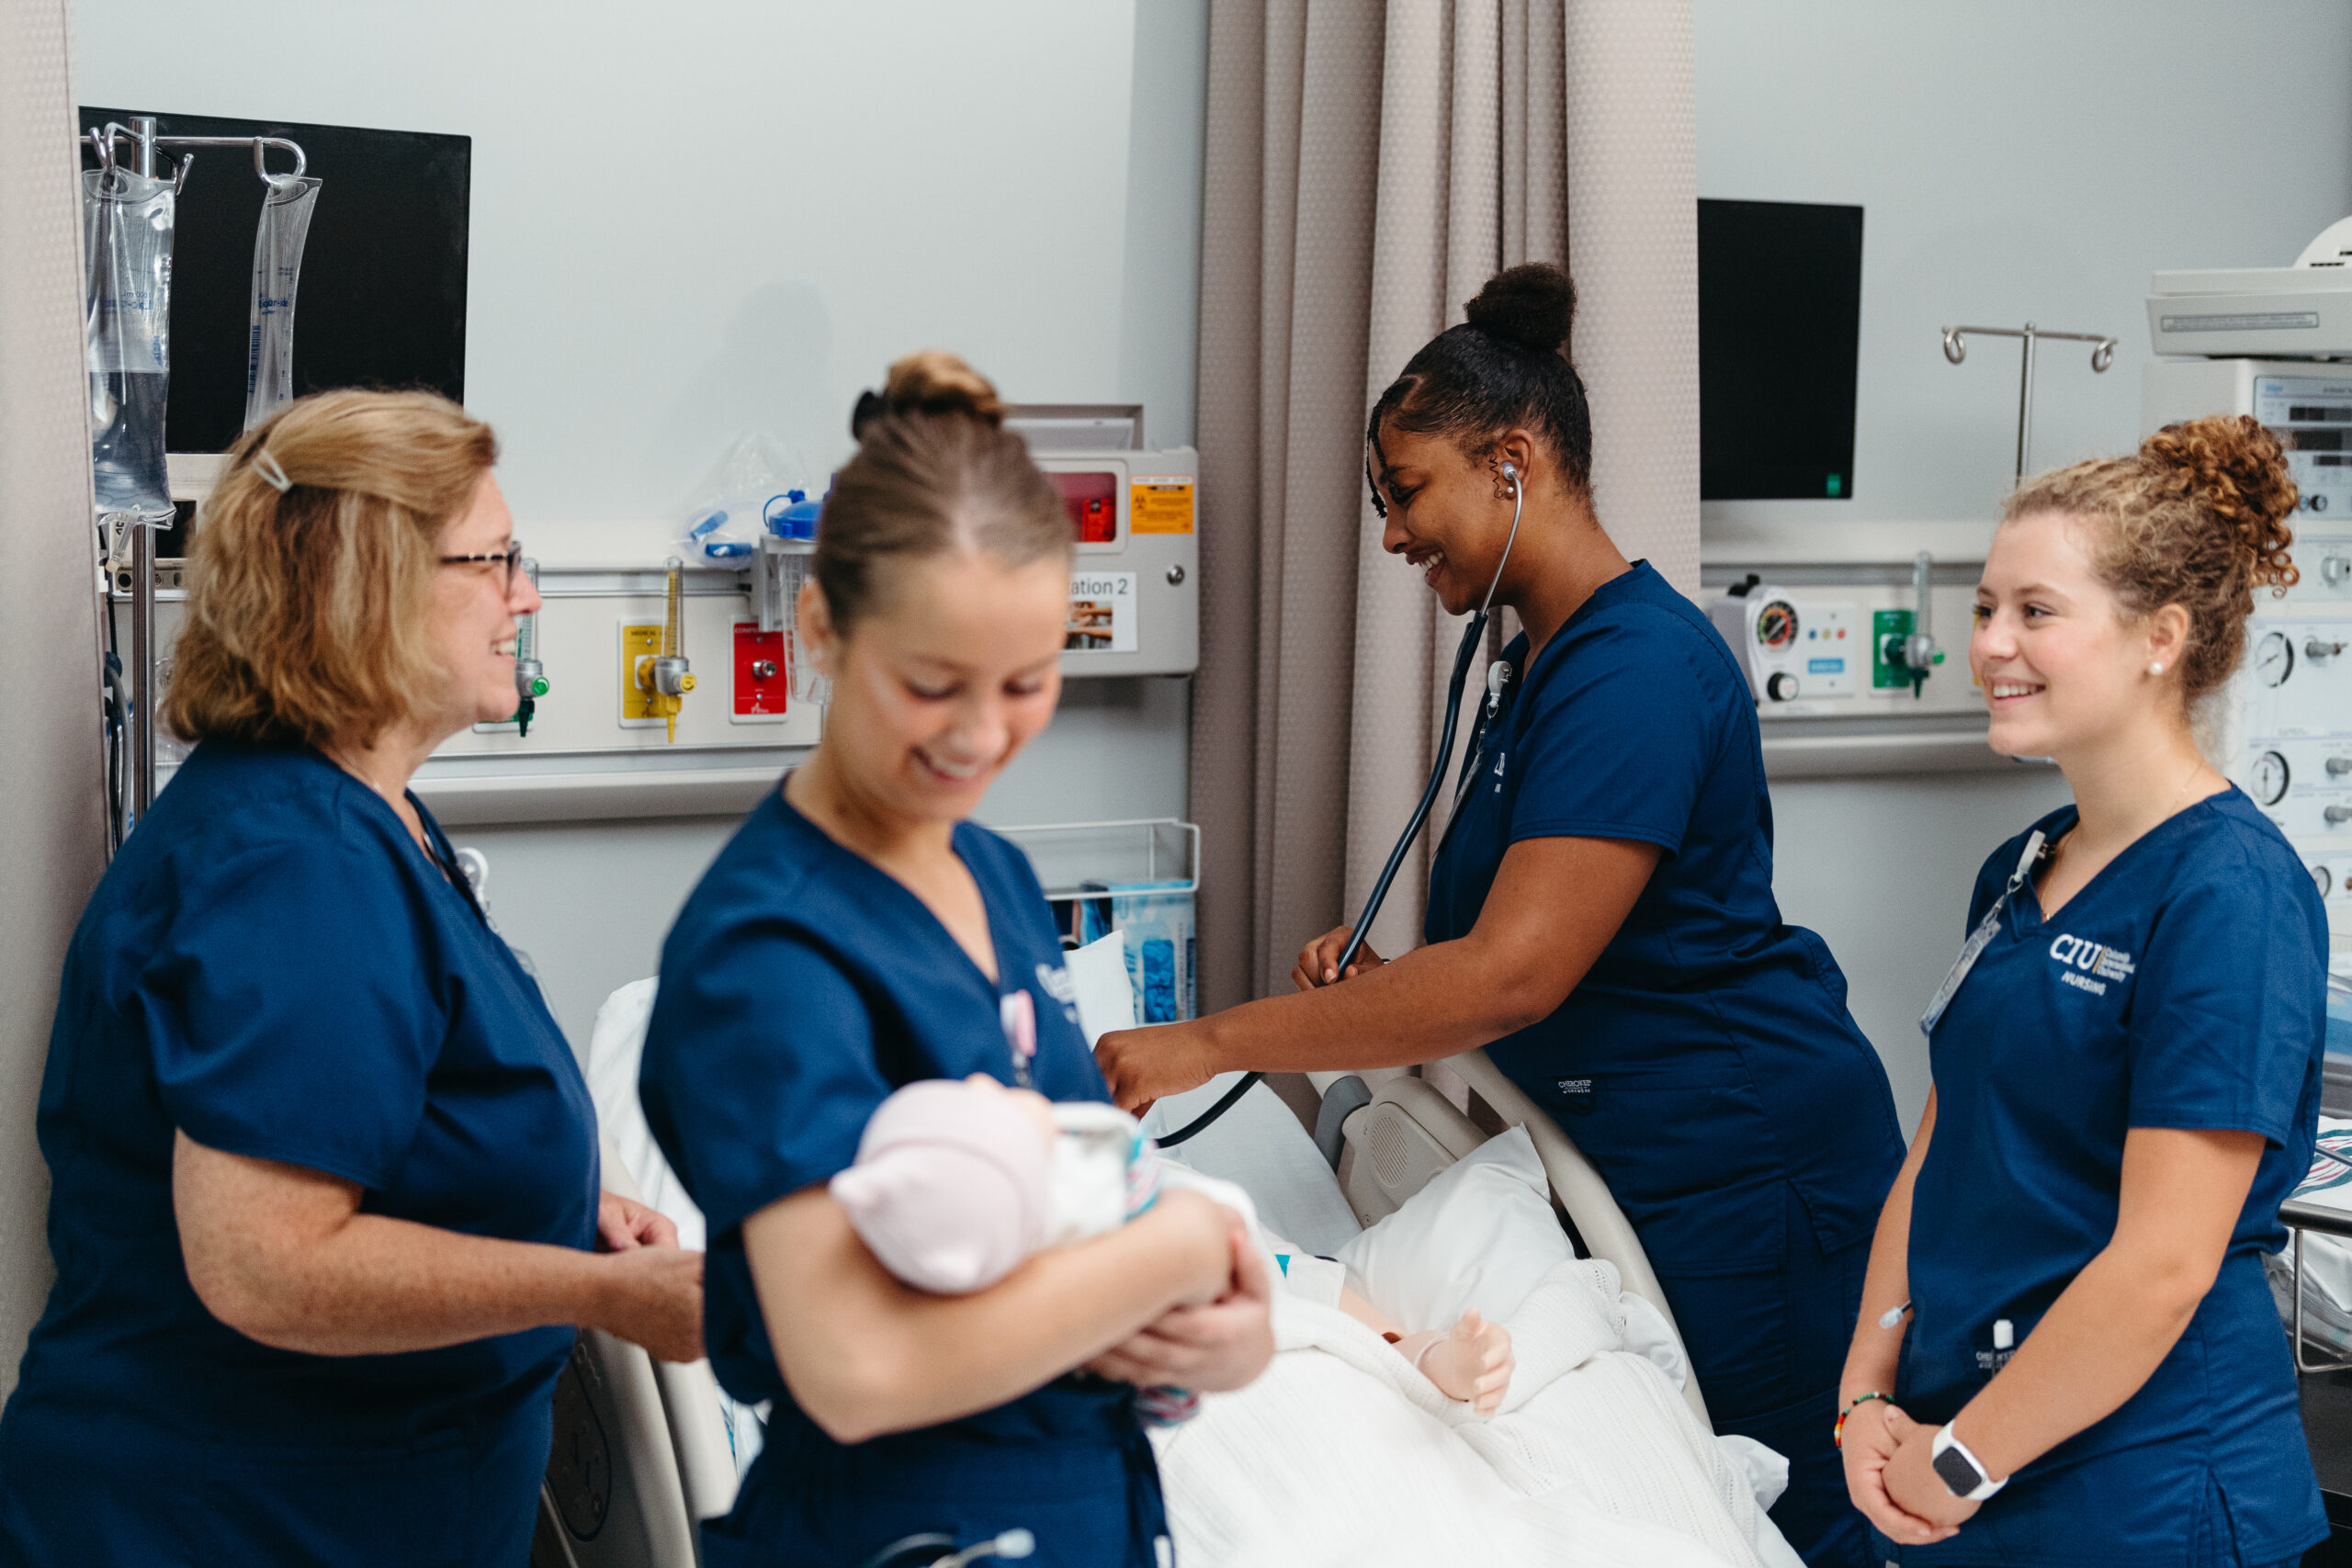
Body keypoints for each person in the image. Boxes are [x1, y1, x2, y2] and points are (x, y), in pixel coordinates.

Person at [1094, 263, 1904, 1566]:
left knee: (1780, 1517)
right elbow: (1555, 943)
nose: (1394, 534)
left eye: (1408, 492)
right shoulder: (1544, 662)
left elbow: (1520, 974)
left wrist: (1218, 1040)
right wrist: (1387, 981)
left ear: (1514, 460)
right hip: (1647, 1161)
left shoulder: (1636, 668)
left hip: (1743, 1170)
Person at [0, 390, 703, 1567]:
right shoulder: (293, 869)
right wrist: (597, 1296)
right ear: (372, 585)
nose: (527, 596)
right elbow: (269, 1268)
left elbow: (382, 1110)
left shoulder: (361, 820)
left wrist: (549, 1197)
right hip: (234, 1528)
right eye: (498, 560)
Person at [637, 353, 1274, 1568]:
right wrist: (1186, 1246)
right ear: (820, 623)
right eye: (933, 685)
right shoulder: (766, 948)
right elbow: (858, 1366)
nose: (982, 733)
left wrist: (1227, 1333)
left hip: (1086, 1501)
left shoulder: (994, 876)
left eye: (1028, 683)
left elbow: (1083, 1200)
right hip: (898, 1527)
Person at [1838, 416, 2328, 1565]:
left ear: (2160, 636)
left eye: (2035, 612)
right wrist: (1867, 1390)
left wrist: (1959, 1462)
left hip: (2140, 1476)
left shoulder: (2228, 895)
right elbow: (1943, 1141)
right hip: (1963, 1435)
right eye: (1983, 608)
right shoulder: (2024, 867)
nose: (1990, 645)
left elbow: (2163, 1265)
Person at [833, 1076, 1515, 1417]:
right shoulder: (989, 1275)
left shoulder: (1180, 1193)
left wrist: (1436, 1358)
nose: (996, 1083)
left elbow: (1350, 1324)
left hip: (1294, 1360)